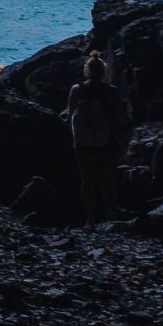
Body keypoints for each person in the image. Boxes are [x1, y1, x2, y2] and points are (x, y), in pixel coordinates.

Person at [67, 49, 129, 224]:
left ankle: (90, 219)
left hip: (82, 141)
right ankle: (110, 217)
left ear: (86, 71)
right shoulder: (111, 91)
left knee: (87, 182)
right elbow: (121, 118)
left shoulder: (76, 90)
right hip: (106, 140)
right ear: (103, 72)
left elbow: (70, 115)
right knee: (108, 182)